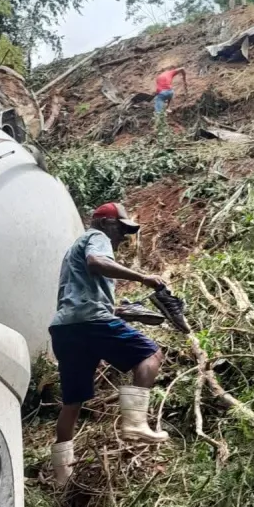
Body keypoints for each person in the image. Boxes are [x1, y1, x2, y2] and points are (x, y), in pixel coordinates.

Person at [49, 203, 170, 487]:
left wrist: (118, 311)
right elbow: (96, 262)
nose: (122, 237)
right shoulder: (97, 238)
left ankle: (61, 476)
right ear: (105, 223)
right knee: (151, 354)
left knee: (72, 403)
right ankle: (135, 423)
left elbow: (79, 294)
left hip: (66, 328)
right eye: (120, 229)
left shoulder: (72, 252)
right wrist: (143, 278)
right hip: (91, 322)